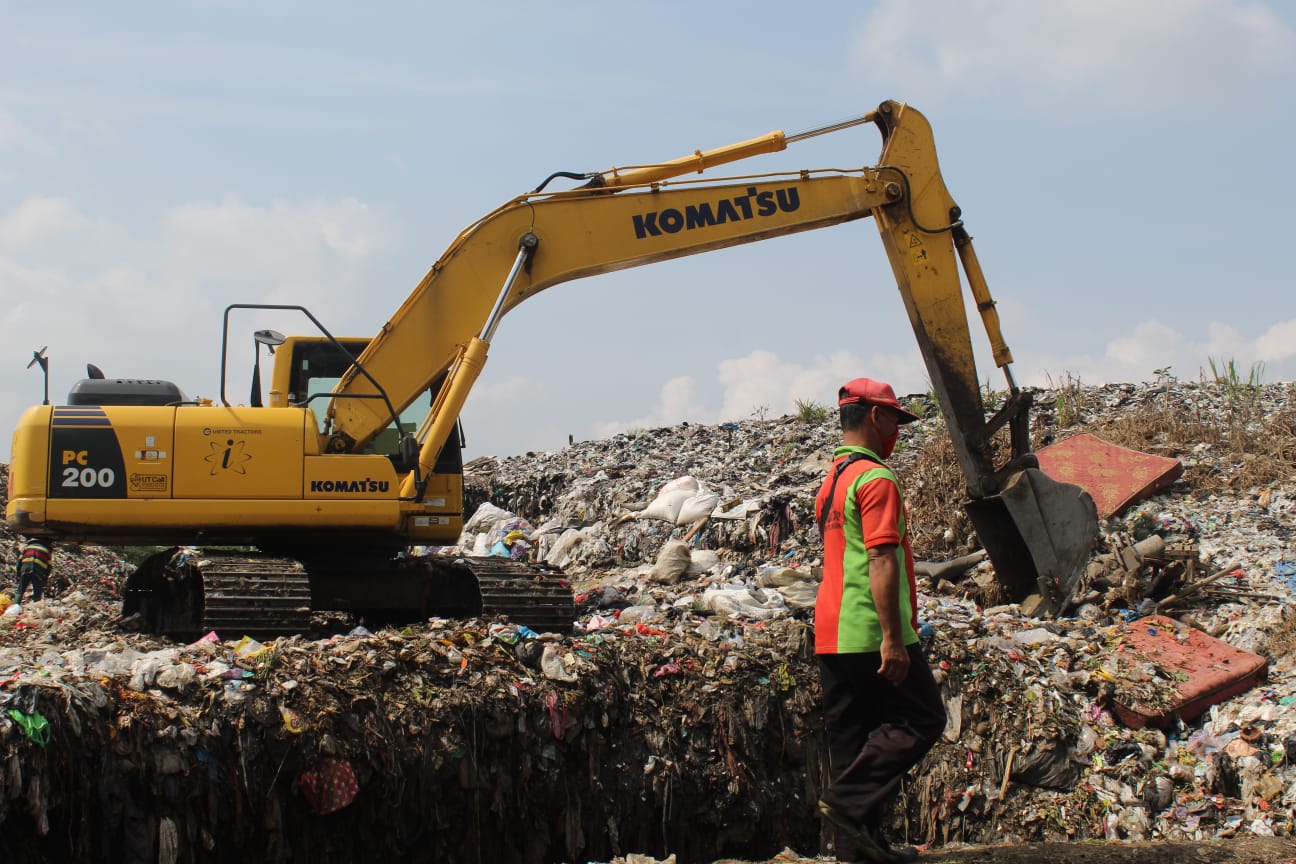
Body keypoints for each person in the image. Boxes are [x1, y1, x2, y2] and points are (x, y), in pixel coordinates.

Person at [813, 378, 946, 863]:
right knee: (923, 717)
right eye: (894, 419)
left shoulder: (832, 481)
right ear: (875, 416)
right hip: (870, 628)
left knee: (853, 739)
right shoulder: (875, 479)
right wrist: (893, 637)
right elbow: (881, 558)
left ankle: (856, 853)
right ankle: (845, 802)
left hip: (831, 631)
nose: (897, 429)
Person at [15, 537, 53, 603]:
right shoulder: (47, 550)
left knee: (21, 589)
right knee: (37, 590)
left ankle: (15, 604)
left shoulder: (27, 547)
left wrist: (18, 572)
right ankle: (36, 605)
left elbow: (19, 560)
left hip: (25, 569)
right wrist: (45, 577)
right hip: (38, 571)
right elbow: (49, 566)